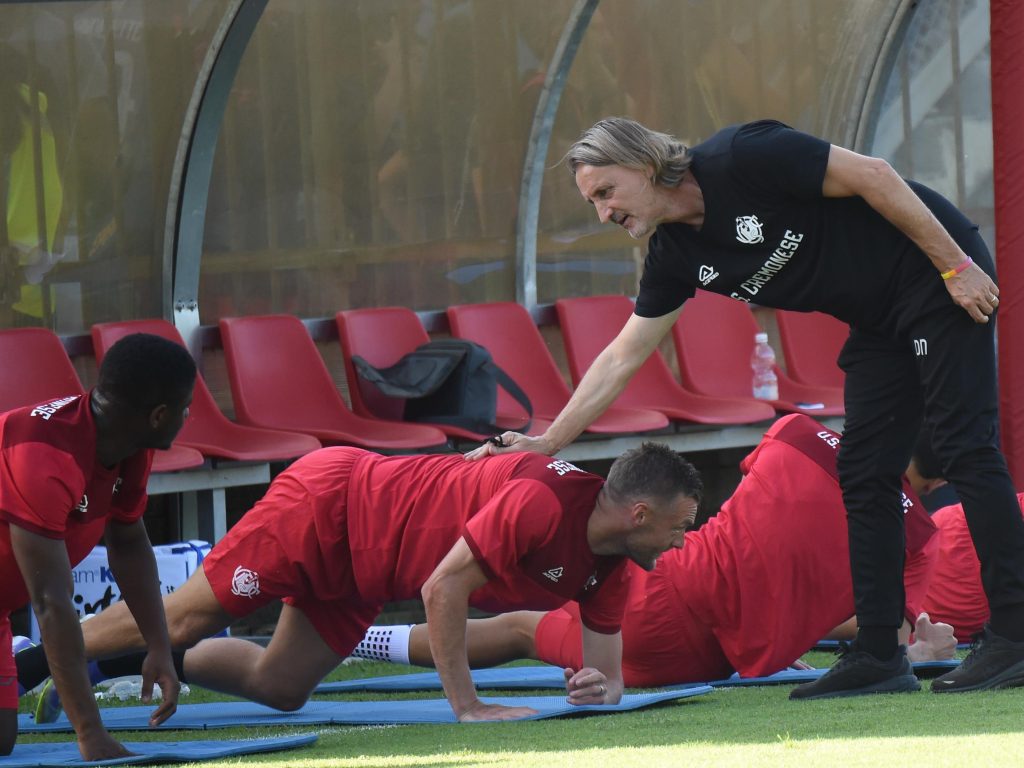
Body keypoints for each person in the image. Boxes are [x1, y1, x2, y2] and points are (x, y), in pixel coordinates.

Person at [467, 117, 1024, 698]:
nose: (604, 213)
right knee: (862, 472)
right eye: (593, 203)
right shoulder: (674, 255)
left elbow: (876, 176)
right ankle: (881, 654)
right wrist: (549, 441)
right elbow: (623, 355)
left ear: (645, 165)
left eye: (606, 192)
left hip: (936, 270)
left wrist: (955, 267)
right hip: (878, 316)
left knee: (964, 446)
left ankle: (1013, 636)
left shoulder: (743, 156)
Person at [17, 443, 702, 724]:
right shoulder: (543, 500)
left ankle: (123, 659)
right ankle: (23, 665)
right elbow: (443, 591)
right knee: (187, 616)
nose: (683, 541)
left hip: (364, 573)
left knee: (281, 688)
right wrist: (468, 706)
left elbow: (611, 679)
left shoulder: (614, 567)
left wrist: (595, 688)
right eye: (680, 526)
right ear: (638, 513)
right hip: (331, 505)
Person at [360, 414, 956, 687]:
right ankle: (361, 638)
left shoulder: (797, 433)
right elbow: (886, 632)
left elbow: (759, 519)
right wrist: (783, 625)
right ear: (932, 483)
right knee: (522, 627)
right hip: (694, 656)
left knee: (517, 619)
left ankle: (360, 639)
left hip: (668, 580)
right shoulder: (921, 538)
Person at [0, 333, 195, 760]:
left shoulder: (130, 445)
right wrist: (90, 733)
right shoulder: (42, 453)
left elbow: (129, 542)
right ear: (159, 416)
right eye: (186, 407)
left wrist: (159, 647)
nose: (188, 415)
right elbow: (51, 602)